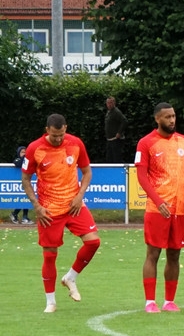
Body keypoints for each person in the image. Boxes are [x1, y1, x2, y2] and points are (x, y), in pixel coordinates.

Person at [20, 114, 101, 312]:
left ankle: (70, 277)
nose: (58, 139)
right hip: (49, 210)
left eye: (61, 134)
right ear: (47, 130)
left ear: (66, 128)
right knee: (50, 255)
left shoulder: (76, 143)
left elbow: (87, 172)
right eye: (54, 135)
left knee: (93, 242)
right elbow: (25, 179)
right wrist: (37, 206)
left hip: (74, 206)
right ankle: (51, 302)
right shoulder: (35, 148)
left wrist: (80, 195)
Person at [135, 102, 184, 313]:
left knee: (175, 255)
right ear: (157, 119)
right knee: (153, 253)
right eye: (167, 117)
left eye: (173, 116)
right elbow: (141, 176)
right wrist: (158, 201)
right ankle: (150, 301)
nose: (172, 120)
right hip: (157, 209)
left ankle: (169, 301)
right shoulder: (146, 143)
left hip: (178, 210)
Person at [11, 145, 32, 224]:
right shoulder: (17, 159)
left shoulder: (28, 161)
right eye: (22, 152)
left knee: (26, 199)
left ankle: (24, 217)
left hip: (27, 182)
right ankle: (15, 214)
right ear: (18, 153)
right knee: (21, 199)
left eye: (25, 152)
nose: (24, 153)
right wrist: (24, 157)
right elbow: (19, 164)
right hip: (19, 183)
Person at [104, 96, 128, 163]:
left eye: (111, 103)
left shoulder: (116, 112)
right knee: (109, 159)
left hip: (115, 140)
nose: (109, 104)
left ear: (114, 103)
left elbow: (124, 121)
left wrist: (119, 132)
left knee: (116, 159)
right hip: (110, 139)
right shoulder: (109, 112)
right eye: (108, 103)